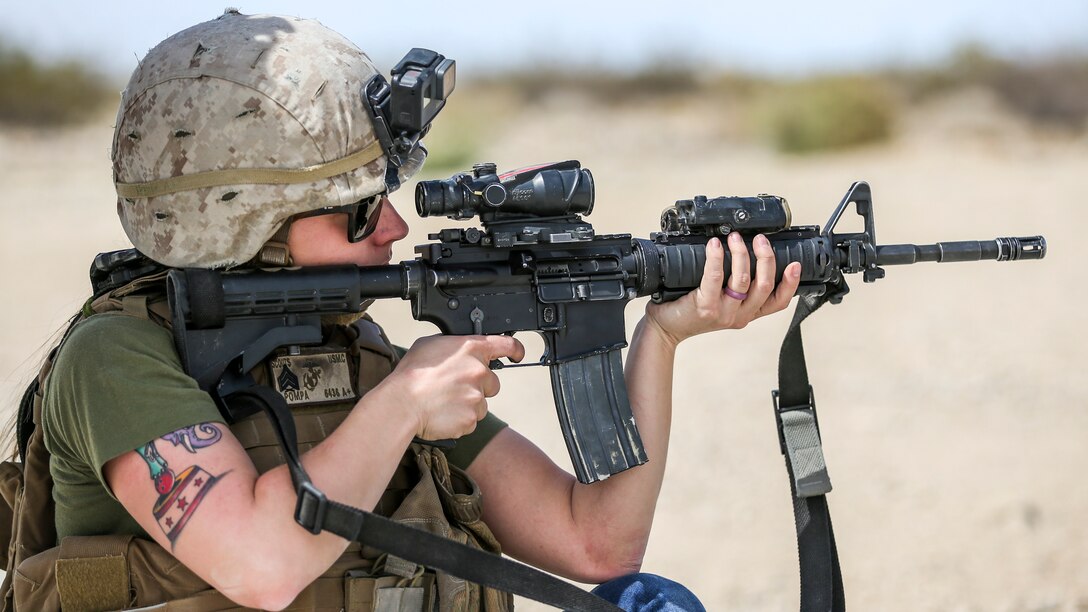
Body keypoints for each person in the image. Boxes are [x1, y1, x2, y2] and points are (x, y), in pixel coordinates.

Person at [3, 10, 801, 611]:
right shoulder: (117, 357)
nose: (394, 228)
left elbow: (596, 544)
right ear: (235, 217)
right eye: (355, 212)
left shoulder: (353, 350)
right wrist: (404, 404)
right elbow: (262, 564)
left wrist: (661, 335)